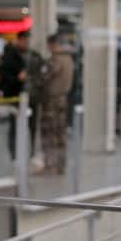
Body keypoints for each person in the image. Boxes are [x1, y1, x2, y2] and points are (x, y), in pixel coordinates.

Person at [39, 34, 74, 174]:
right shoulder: (69, 59)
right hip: (63, 99)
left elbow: (44, 77)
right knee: (61, 133)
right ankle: (61, 165)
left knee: (48, 132)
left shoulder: (55, 60)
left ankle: (49, 165)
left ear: (52, 44)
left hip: (52, 101)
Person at [1, 31, 39, 157]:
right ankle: (14, 153)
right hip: (16, 96)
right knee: (15, 126)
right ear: (19, 40)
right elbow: (5, 76)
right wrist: (17, 78)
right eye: (24, 40)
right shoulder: (10, 56)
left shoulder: (34, 55)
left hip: (32, 97)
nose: (26, 43)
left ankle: (32, 152)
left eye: (27, 40)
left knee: (32, 126)